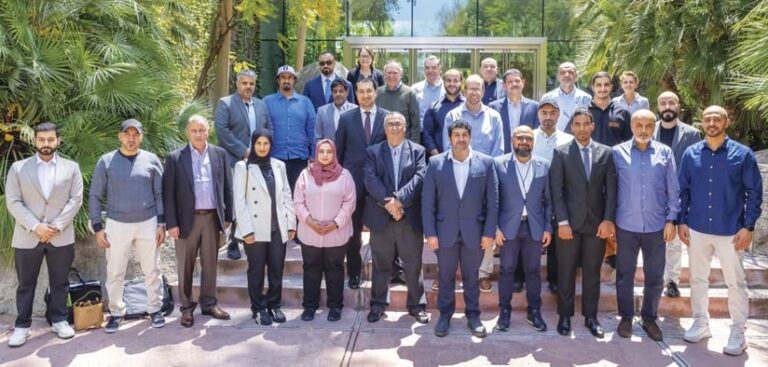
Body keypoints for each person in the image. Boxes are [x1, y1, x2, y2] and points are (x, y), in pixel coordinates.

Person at [678, 106, 762, 356]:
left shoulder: (743, 154)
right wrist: (681, 221)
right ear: (702, 123)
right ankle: (700, 322)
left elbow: (754, 192)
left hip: (731, 230)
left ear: (727, 121)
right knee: (697, 278)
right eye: (708, 119)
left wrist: (748, 226)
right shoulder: (691, 154)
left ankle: (738, 331)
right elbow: (682, 190)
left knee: (735, 282)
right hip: (697, 228)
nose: (712, 122)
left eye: (717, 118)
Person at [6, 122, 83, 347]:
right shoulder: (19, 168)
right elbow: (13, 201)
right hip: (27, 236)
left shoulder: (72, 168)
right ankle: (22, 326)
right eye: (42, 140)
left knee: (60, 282)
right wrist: (36, 227)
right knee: (25, 284)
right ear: (34, 141)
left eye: (50, 139)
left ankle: (59, 320)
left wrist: (56, 226)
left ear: (58, 141)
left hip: (61, 235)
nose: (46, 144)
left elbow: (75, 199)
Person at [422, 120, 498, 338]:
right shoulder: (436, 164)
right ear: (450, 138)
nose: (461, 138)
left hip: (475, 233)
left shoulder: (486, 163)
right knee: (445, 277)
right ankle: (445, 316)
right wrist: (430, 233)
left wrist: (489, 233)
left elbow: (493, 202)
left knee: (472, 277)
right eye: (456, 134)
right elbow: (428, 202)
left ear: (470, 137)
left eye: (465, 134)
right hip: (444, 232)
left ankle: (473, 316)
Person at [89, 119, 166, 333]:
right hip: (116, 224)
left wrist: (162, 223)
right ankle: (116, 312)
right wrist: (97, 227)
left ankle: (155, 309)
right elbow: (95, 195)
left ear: (141, 137)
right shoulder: (106, 161)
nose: (131, 138)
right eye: (127, 134)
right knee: (115, 272)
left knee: (152, 269)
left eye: (136, 134)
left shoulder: (151, 160)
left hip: (148, 223)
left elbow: (160, 193)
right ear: (119, 136)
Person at [612, 110, 680, 341]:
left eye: (648, 126)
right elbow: (610, 190)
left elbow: (673, 190)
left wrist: (671, 220)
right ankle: (626, 317)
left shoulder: (665, 153)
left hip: (656, 227)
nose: (643, 130)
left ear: (654, 127)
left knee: (654, 276)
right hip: (625, 225)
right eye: (638, 125)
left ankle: (649, 318)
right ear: (631, 126)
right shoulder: (617, 153)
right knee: (624, 275)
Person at [550, 107, 617, 338]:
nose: (581, 128)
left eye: (585, 124)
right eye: (576, 124)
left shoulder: (606, 153)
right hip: (569, 225)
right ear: (571, 127)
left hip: (596, 225)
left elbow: (612, 191)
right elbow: (556, 192)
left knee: (592, 272)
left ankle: (591, 317)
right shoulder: (561, 153)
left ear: (592, 126)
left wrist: (608, 220)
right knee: (565, 272)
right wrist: (563, 222)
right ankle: (565, 316)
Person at [162, 115, 233, 327]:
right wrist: (171, 223)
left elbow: (227, 186)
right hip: (185, 220)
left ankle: (209, 304)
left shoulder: (219, 154)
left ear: (208, 130)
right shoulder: (175, 158)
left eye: (202, 130)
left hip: (211, 218)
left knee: (210, 264)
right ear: (187, 132)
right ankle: (186, 308)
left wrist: (228, 216)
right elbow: (169, 194)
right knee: (185, 266)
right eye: (194, 131)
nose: (198, 134)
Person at [363, 112, 428, 324]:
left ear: (405, 127)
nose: (394, 127)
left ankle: (417, 305)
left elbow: (420, 178)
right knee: (381, 264)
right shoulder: (373, 152)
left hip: (408, 217)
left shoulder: (418, 151)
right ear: (384, 128)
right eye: (390, 124)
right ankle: (378, 304)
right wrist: (389, 204)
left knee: (413, 263)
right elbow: (370, 179)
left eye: (398, 124)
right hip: (381, 218)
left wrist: (399, 201)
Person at [444, 74, 504, 292]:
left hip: (484, 177)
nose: (474, 92)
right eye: (470, 88)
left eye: (478, 88)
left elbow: (498, 150)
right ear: (464, 90)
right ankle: (450, 272)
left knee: (486, 222)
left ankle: (483, 272)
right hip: (457, 176)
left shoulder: (494, 117)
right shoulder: (453, 115)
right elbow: (445, 146)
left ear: (483, 91)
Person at [233, 129, 297, 326]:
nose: (262, 147)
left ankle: (274, 304)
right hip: (254, 228)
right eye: (258, 143)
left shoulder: (279, 165)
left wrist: (291, 223)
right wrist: (246, 231)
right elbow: (240, 200)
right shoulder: (243, 167)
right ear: (253, 144)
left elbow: (287, 194)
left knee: (277, 269)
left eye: (266, 143)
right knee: (256, 270)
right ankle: (258, 308)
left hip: (279, 226)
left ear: (271, 145)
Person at [493, 126, 552, 333]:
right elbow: (493, 200)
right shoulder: (498, 164)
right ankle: (505, 311)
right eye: (520, 138)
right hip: (508, 228)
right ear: (512, 140)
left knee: (533, 271)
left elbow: (549, 201)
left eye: (528, 138)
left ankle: (534, 311)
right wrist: (495, 228)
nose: (524, 141)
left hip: (534, 228)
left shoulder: (544, 166)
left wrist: (548, 228)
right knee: (507, 269)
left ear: (533, 142)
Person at [294, 139, 356, 322]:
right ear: (316, 153)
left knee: (335, 269)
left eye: (329, 152)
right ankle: (309, 306)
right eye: (322, 152)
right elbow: (298, 201)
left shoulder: (345, 176)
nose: (325, 155)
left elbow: (350, 202)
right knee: (311, 269)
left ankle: (335, 306)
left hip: (336, 232)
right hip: (310, 232)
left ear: (334, 153)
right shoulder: (305, 175)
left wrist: (335, 223)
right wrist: (309, 221)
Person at [335, 78, 389, 289]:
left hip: (379, 184)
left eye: (369, 91)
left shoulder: (386, 118)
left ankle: (383, 274)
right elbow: (338, 154)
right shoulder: (346, 118)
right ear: (355, 94)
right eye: (361, 92)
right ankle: (355, 272)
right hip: (353, 183)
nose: (365, 95)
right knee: (353, 233)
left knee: (382, 233)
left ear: (376, 93)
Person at [214, 68, 272, 260]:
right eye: (244, 83)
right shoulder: (226, 103)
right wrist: (244, 151)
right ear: (237, 84)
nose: (248, 87)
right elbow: (222, 131)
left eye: (251, 83)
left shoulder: (261, 105)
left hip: (259, 161)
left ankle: (255, 237)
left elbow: (268, 129)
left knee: (254, 199)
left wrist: (262, 151)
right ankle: (233, 241)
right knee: (236, 199)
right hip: (235, 160)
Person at [653, 91, 701, 298]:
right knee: (662, 241)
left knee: (679, 241)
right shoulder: (648, 129)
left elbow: (696, 166)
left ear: (678, 106)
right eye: (663, 103)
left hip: (683, 195)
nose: (667, 106)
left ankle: (678, 280)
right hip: (656, 195)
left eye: (671, 102)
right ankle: (662, 279)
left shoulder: (691, 133)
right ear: (658, 107)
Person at [531, 98, 573, 295]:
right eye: (544, 113)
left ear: (558, 115)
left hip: (559, 196)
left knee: (557, 239)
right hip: (533, 195)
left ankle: (554, 279)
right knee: (530, 237)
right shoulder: (528, 137)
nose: (548, 117)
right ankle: (522, 276)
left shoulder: (568, 139)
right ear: (538, 114)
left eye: (552, 113)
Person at [263, 65, 317, 190]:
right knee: (275, 195)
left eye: (290, 77)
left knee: (298, 196)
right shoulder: (267, 102)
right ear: (278, 80)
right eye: (283, 77)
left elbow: (313, 130)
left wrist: (314, 155)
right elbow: (262, 129)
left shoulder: (305, 102)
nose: (286, 80)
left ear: (294, 80)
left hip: (299, 158)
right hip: (274, 157)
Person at [489, 69, 540, 154]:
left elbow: (537, 134)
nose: (514, 84)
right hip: (502, 156)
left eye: (517, 81)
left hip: (527, 156)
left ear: (523, 83)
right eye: (510, 82)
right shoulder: (494, 107)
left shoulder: (535, 107)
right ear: (504, 85)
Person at [581, 71, 631, 147]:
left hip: (614, 158)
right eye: (599, 85)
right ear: (593, 87)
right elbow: (571, 139)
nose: (603, 88)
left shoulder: (623, 112)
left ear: (611, 87)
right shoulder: (582, 112)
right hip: (589, 158)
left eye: (606, 85)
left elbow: (630, 142)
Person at [376, 60, 421, 143]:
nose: (391, 76)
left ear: (401, 75)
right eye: (389, 73)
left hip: (403, 145)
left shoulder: (410, 94)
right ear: (384, 74)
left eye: (395, 73)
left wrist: (413, 147)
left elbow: (416, 126)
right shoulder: (377, 93)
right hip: (381, 145)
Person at [422, 69, 464, 157]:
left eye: (455, 81)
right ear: (443, 82)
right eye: (448, 80)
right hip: (441, 157)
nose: (452, 84)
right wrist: (438, 157)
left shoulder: (468, 106)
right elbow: (427, 135)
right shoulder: (433, 108)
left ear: (461, 83)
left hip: (466, 159)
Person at [542, 62, 592, 131]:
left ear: (576, 76)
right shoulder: (547, 98)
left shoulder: (586, 98)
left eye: (570, 72)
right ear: (558, 77)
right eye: (562, 72)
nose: (567, 75)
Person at [411, 55, 444, 126]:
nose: (430, 71)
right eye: (427, 68)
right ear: (424, 70)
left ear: (440, 70)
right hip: (421, 133)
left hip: (441, 133)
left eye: (434, 68)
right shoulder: (415, 89)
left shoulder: (447, 89)